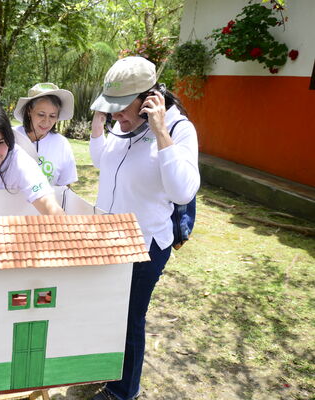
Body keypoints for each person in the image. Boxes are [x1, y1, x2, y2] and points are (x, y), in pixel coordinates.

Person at [88, 56, 200, 400]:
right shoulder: (122, 127)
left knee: (129, 317)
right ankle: (108, 370)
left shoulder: (178, 129)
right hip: (108, 236)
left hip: (144, 243)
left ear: (149, 99)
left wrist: (160, 131)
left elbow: (183, 190)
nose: (118, 116)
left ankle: (122, 392)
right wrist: (99, 120)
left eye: (123, 107)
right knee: (108, 311)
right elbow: (102, 162)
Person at [13, 83, 78, 186]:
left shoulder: (62, 144)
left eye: (52, 116)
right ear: (29, 111)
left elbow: (65, 186)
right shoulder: (11, 137)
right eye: (41, 114)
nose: (46, 122)